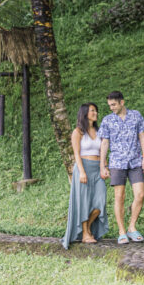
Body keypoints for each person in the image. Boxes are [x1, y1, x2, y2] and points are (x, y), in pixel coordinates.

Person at [98, 91, 144, 244]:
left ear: (122, 102)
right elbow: (105, 143)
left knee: (140, 195)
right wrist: (103, 165)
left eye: (113, 104)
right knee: (120, 196)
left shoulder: (135, 115)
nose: (111, 107)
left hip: (135, 161)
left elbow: (142, 135)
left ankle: (132, 227)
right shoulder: (107, 120)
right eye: (109, 105)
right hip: (117, 163)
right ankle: (121, 231)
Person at [62, 103, 108, 249]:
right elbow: (76, 154)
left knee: (100, 202)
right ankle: (85, 234)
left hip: (97, 168)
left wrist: (105, 167)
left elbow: (103, 152)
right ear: (85, 113)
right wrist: (81, 171)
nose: (95, 112)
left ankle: (86, 228)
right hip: (84, 168)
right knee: (84, 201)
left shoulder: (99, 131)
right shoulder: (78, 132)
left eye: (96, 110)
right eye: (92, 110)